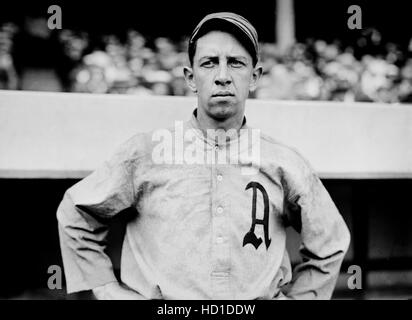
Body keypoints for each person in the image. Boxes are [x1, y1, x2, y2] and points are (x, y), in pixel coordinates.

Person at [57, 12, 351, 300]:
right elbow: (76, 212)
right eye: (209, 63)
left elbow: (330, 241)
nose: (222, 76)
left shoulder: (283, 161)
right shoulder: (146, 153)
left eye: (236, 63)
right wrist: (106, 289)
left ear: (254, 76)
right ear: (190, 77)